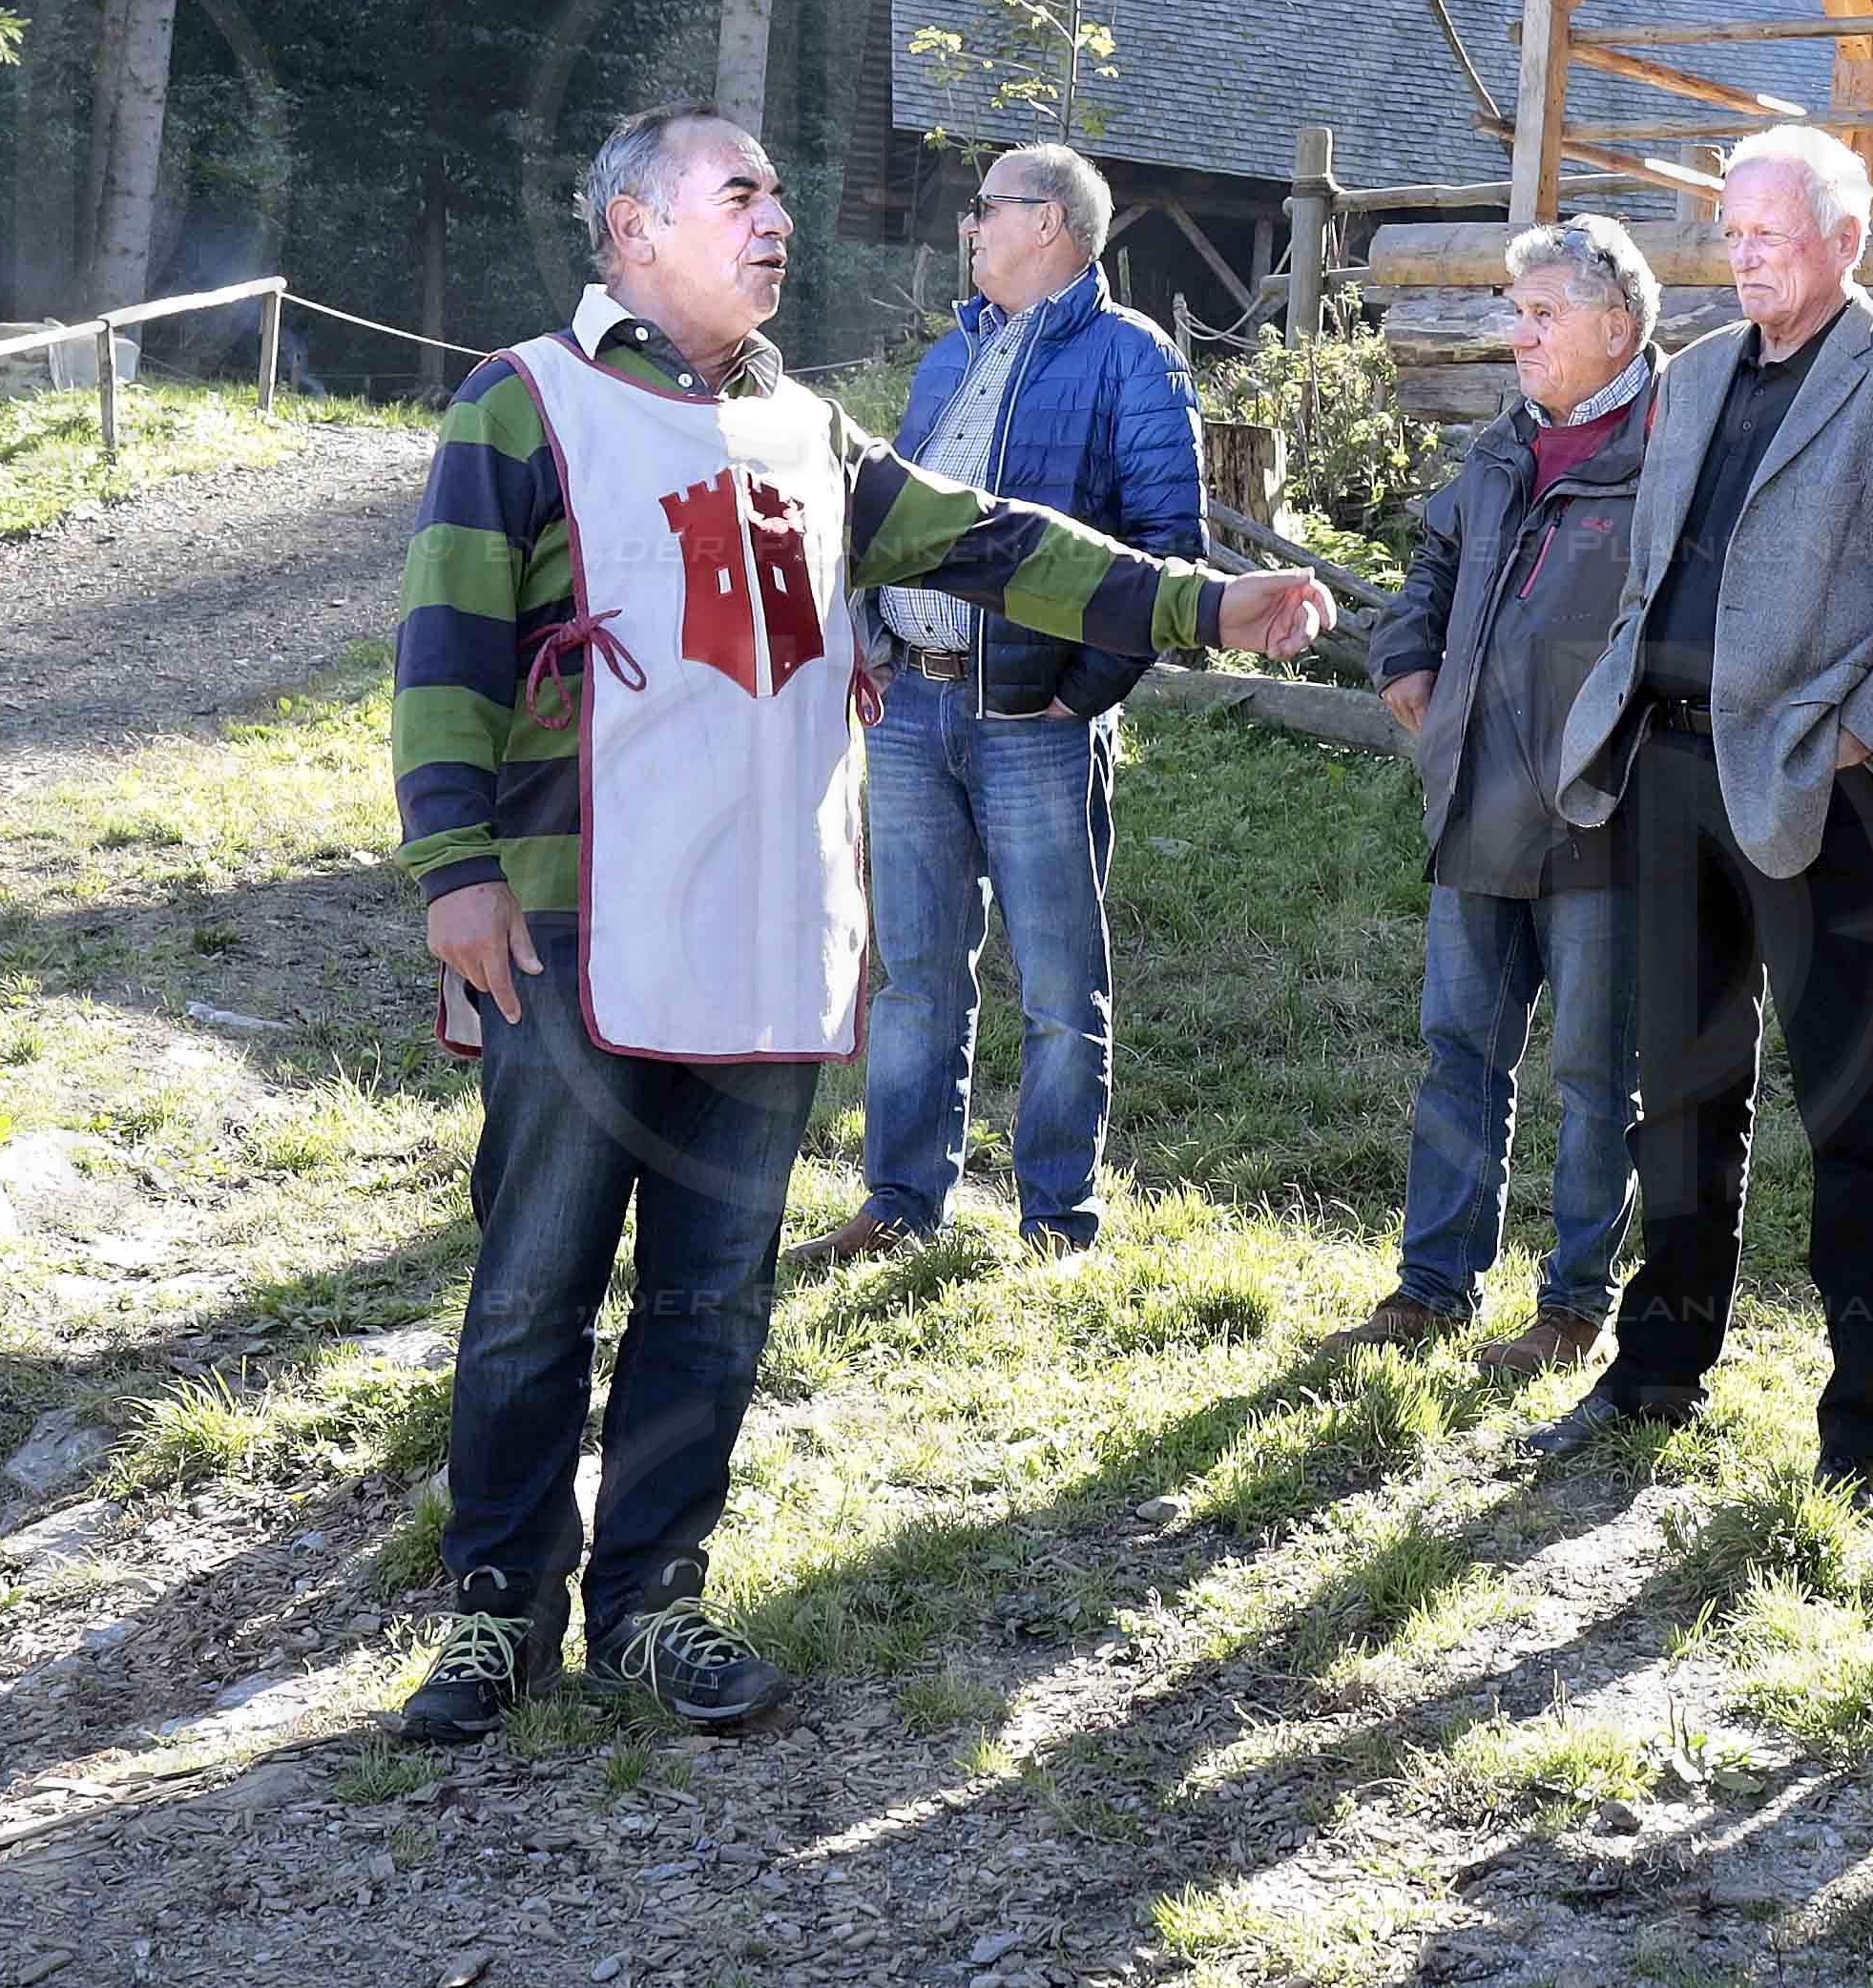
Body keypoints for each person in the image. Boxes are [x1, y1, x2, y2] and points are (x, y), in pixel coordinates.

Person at [386, 106, 1330, 1746]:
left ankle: (652, 1602)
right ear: (632, 231)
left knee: (711, 1294)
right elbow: (446, 647)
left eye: (774, 193)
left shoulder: (809, 434)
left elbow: (997, 547)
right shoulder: (522, 403)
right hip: (569, 928)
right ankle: (494, 1606)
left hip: (763, 931)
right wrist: (448, 866)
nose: (776, 219)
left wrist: (1200, 604)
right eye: (736, 193)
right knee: (536, 1282)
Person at [1538, 125, 1873, 1490]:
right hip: (1668, 779)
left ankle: (1861, 1423)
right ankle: (1659, 1370)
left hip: (1817, 791)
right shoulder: (1688, 379)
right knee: (1677, 1100)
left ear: (1847, 241)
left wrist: (1860, 741)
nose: (1743, 259)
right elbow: (1656, 570)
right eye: (1731, 236)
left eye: (1771, 236)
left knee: (1851, 1107)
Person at [801, 141, 1205, 1270]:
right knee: (916, 975)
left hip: (1036, 725)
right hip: (913, 714)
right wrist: (873, 636)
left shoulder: (1137, 359)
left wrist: (1075, 697)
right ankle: (899, 1204)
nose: (967, 226)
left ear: (1053, 225)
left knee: (1060, 982)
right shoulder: (947, 358)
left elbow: (1171, 554)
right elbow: (888, 521)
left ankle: (1055, 1223)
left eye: (986, 208)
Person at [1349, 213, 1664, 1371]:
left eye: (1539, 315)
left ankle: (1574, 1305)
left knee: (1595, 1073)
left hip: (1605, 810)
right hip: (1477, 796)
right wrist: (1404, 659)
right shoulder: (1501, 446)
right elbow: (1431, 562)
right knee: (1457, 1053)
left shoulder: (1673, 446)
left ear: (1615, 325)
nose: (1514, 336)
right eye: (1513, 312)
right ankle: (1431, 1288)